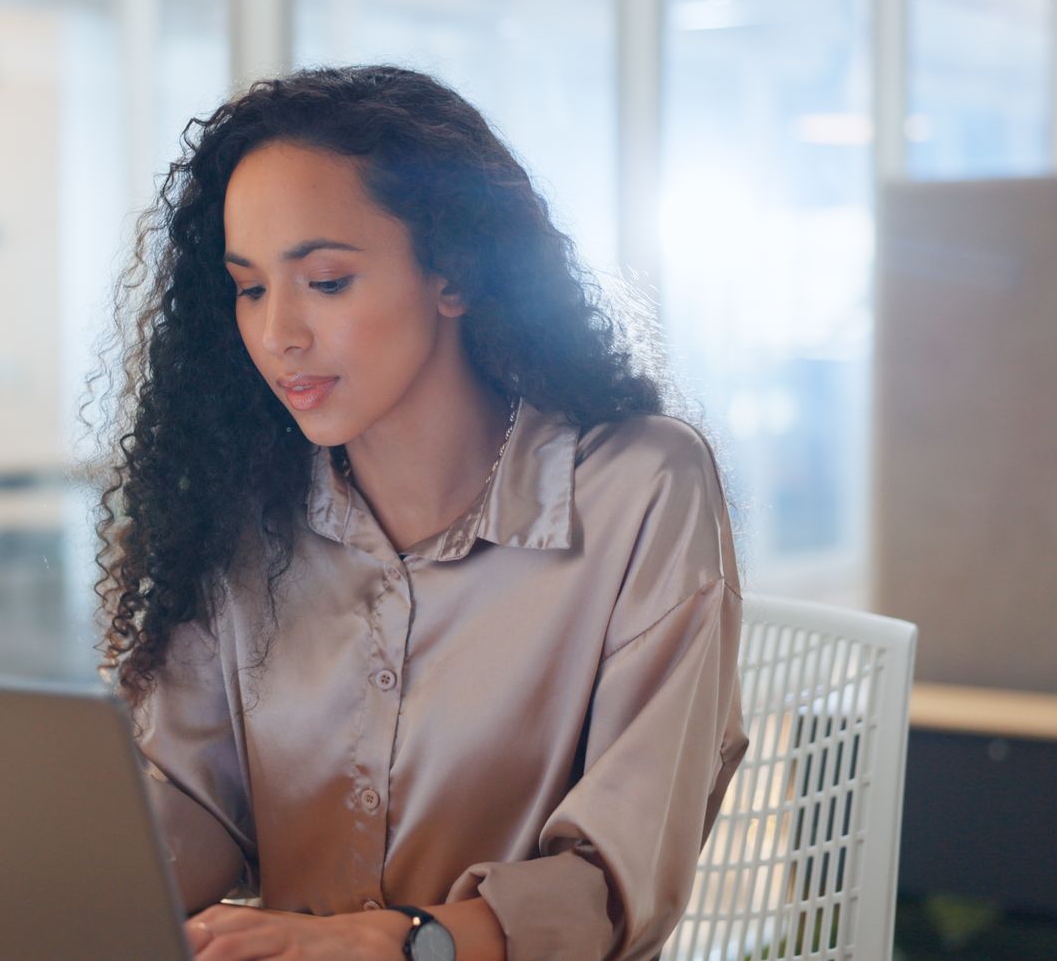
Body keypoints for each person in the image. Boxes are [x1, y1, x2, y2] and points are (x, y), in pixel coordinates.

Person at [91, 65, 747, 961]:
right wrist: (61, 884)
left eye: (324, 281)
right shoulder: (243, 504)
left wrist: (407, 944)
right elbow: (198, 802)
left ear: (456, 273)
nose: (279, 331)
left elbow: (613, 873)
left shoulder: (642, 485)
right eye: (249, 288)